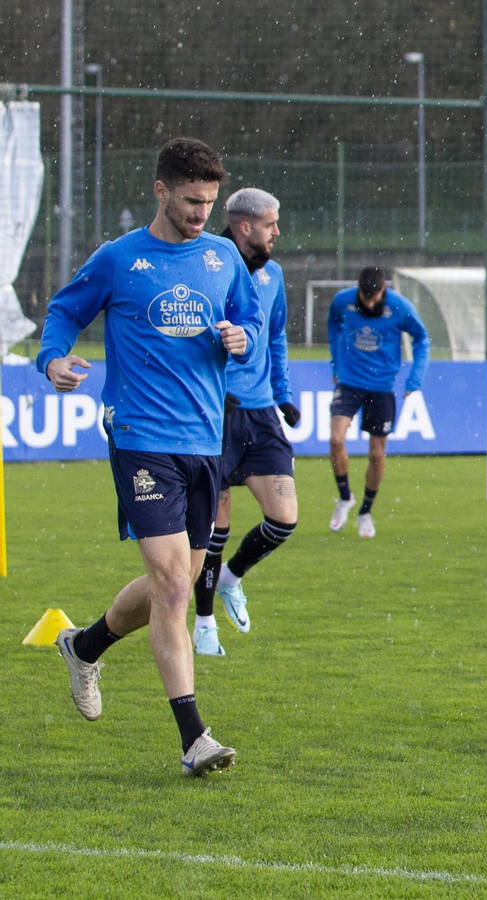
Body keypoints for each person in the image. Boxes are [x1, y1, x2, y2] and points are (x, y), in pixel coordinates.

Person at [42, 137, 261, 775]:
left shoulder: (223, 257)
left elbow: (249, 331)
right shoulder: (118, 259)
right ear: (160, 191)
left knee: (182, 580)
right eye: (191, 201)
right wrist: (53, 358)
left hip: (203, 440)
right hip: (140, 437)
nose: (201, 214)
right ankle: (195, 739)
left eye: (209, 202)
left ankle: (84, 645)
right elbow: (63, 312)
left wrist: (240, 338)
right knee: (172, 583)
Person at [190, 187, 300, 657]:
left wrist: (284, 394)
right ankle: (203, 621)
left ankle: (231, 579)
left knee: (284, 518)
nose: (277, 231)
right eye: (271, 224)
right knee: (214, 527)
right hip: (214, 410)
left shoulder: (273, 275)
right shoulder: (205, 268)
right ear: (244, 226)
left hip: (258, 414)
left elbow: (274, 338)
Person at [325, 266, 430, 537]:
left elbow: (422, 339)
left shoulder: (399, 306)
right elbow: (333, 324)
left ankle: (365, 511)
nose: (369, 303)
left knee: (376, 454)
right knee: (336, 440)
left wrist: (414, 379)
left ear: (383, 289)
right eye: (365, 297)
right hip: (348, 382)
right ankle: (345, 497)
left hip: (382, 387)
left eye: (374, 298)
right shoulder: (343, 300)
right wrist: (336, 364)